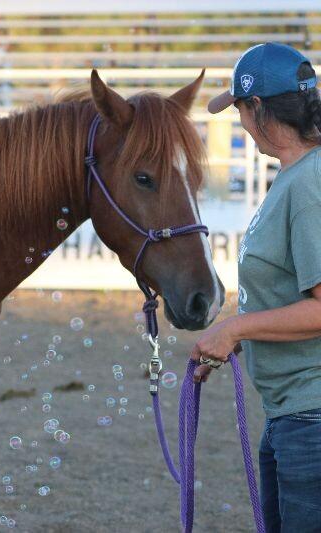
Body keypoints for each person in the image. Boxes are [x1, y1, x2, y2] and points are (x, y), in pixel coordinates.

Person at [191, 42, 321, 532]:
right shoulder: (296, 178)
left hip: (311, 419)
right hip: (293, 413)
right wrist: (239, 338)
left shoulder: (309, 184)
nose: (240, 121)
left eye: (241, 109)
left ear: (260, 109)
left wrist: (235, 328)